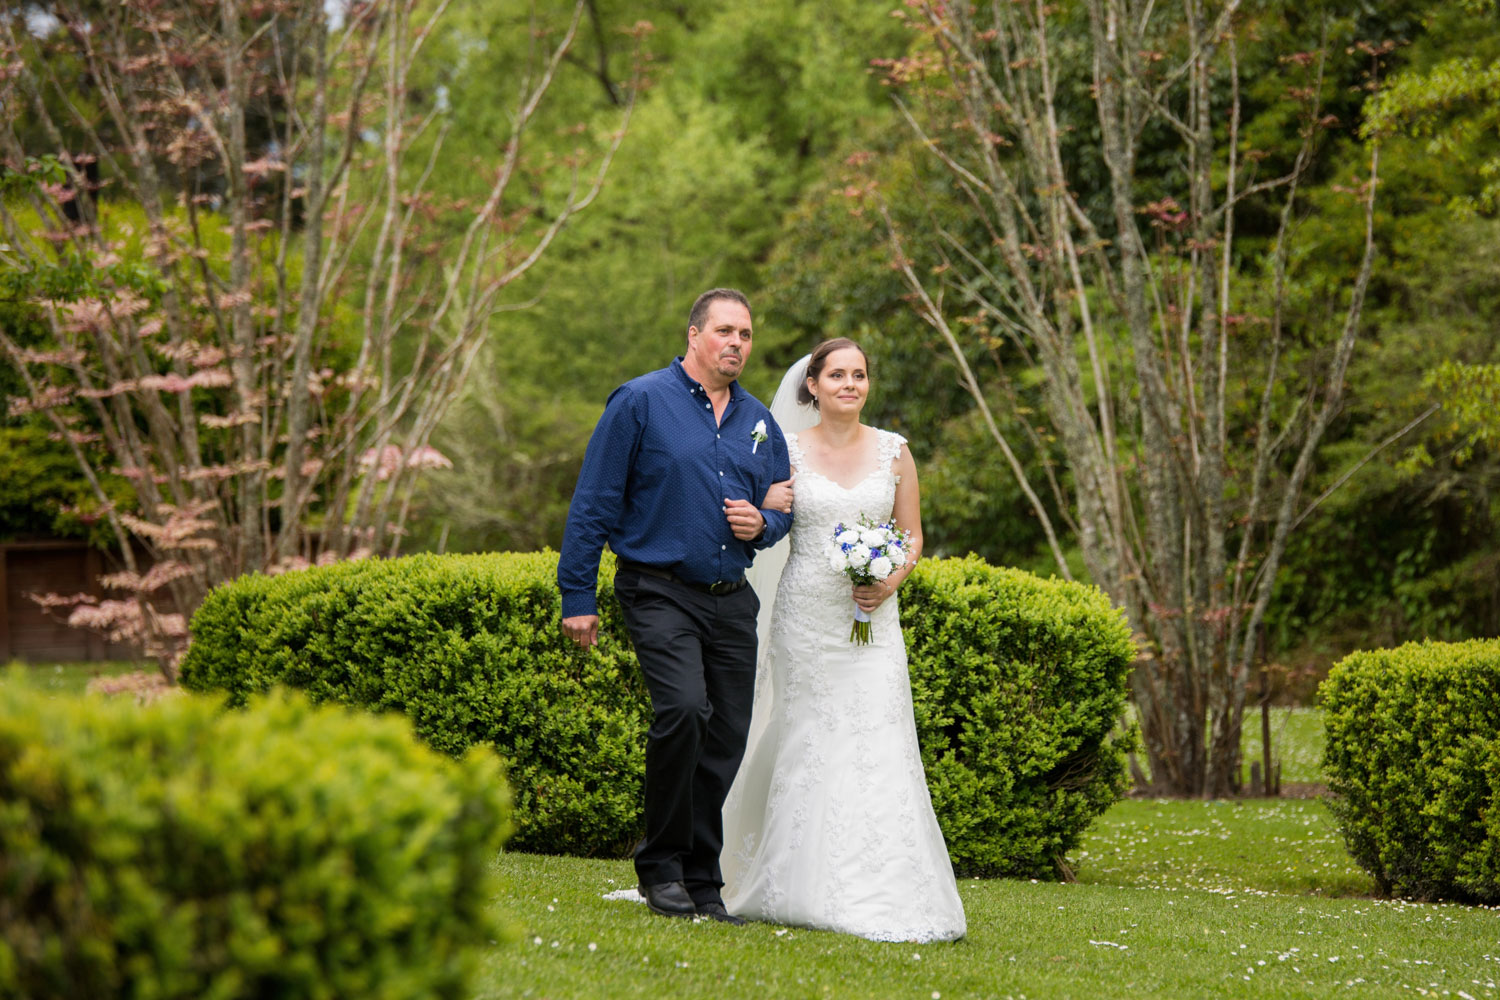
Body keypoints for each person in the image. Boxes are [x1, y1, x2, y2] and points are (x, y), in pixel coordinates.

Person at [558, 288, 794, 926]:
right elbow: (594, 503)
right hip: (658, 589)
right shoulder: (639, 402)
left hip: (731, 600)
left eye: (745, 334)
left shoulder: (759, 423)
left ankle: (701, 877)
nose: (736, 344)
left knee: (725, 737)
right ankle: (659, 866)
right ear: (694, 335)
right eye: (724, 331)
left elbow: (780, 508)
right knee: (684, 710)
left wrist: (762, 526)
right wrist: (577, 594)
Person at [719, 337, 967, 943]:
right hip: (805, 615)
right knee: (808, 736)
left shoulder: (895, 452)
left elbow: (911, 535)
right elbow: (770, 519)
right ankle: (797, 879)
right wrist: (765, 505)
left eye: (859, 375)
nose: (850, 385)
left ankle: (887, 885)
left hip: (873, 619)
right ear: (813, 386)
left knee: (878, 736)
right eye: (837, 375)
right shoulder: (786, 452)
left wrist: (888, 582)